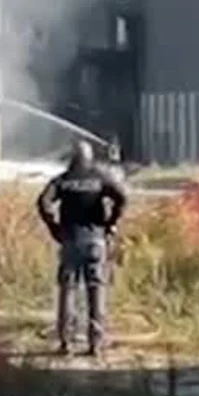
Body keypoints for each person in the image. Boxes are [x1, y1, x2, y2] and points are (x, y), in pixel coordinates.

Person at [35, 139, 129, 357]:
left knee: (68, 290)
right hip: (95, 241)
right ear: (90, 157)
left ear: (72, 157)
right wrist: (111, 222)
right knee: (96, 290)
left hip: (70, 241)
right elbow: (122, 197)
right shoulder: (100, 177)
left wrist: (54, 227)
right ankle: (96, 343)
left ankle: (66, 342)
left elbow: (43, 202)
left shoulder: (63, 180)